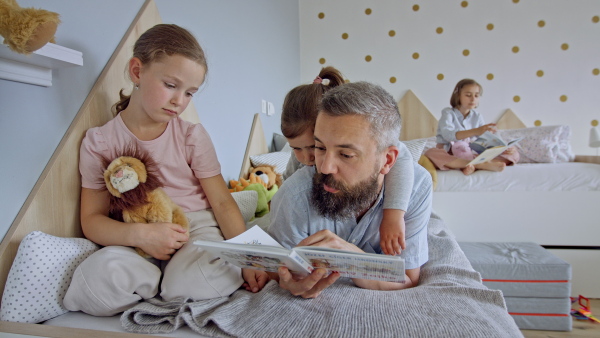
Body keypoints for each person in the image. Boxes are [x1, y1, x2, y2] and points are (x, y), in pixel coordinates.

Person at [63, 24, 268, 316]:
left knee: (193, 280)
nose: (179, 101)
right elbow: (92, 221)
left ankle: (170, 283)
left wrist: (249, 259)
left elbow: (222, 203)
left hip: (195, 228)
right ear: (137, 72)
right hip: (136, 234)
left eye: (190, 93)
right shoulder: (100, 142)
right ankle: (155, 281)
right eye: (171, 86)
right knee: (94, 282)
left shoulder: (191, 136)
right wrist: (139, 236)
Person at [268, 81, 432, 298]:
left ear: (387, 160)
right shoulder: (293, 195)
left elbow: (408, 279)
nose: (323, 167)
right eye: (320, 147)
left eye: (346, 155)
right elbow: (277, 272)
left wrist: (353, 260)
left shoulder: (417, 187)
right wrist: (289, 282)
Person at [280, 67, 414, 256]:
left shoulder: (397, 160)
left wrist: (393, 215)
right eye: (295, 149)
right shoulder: (297, 169)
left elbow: (403, 161)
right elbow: (288, 192)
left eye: (313, 147)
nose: (306, 158)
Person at [424, 78, 519, 175]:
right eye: (468, 95)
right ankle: (479, 165)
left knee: (514, 154)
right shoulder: (448, 112)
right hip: (450, 154)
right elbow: (447, 135)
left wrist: (503, 148)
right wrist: (475, 131)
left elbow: (488, 137)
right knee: (431, 154)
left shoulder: (477, 116)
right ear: (458, 96)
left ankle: (470, 165)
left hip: (469, 154)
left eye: (476, 95)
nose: (473, 99)